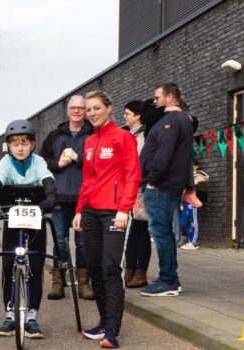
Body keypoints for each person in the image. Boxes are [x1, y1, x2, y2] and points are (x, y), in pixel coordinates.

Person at [74, 91, 140, 348]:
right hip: (90, 212)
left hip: (115, 212)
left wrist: (124, 209)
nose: (91, 113)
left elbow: (133, 175)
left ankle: (113, 329)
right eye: (88, 109)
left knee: (111, 268)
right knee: (95, 268)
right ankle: (103, 322)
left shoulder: (123, 138)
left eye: (96, 108)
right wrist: (79, 210)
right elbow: (87, 180)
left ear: (109, 108)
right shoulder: (89, 142)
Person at [0, 119, 57, 339]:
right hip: (12, 218)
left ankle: (32, 316)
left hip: (36, 217)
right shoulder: (5, 163)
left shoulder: (39, 161)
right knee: (7, 266)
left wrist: (51, 197)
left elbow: (47, 179)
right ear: (9, 146)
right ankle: (10, 315)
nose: (20, 147)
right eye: (15, 143)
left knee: (35, 264)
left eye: (25, 142)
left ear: (32, 144)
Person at [138, 82, 193, 297]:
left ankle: (168, 280)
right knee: (164, 232)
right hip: (165, 185)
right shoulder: (181, 119)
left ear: (170, 98)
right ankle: (170, 278)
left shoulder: (172, 120)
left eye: (157, 97)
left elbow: (164, 152)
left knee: (160, 232)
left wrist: (152, 181)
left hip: (160, 186)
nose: (154, 101)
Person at [38, 95, 95, 300]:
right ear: (68, 110)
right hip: (60, 199)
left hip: (83, 199)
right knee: (59, 242)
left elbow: (97, 162)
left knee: (82, 243)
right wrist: (58, 164)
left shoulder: (92, 135)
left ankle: (83, 284)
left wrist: (77, 159)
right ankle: (58, 283)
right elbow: (42, 160)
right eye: (74, 108)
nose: (78, 111)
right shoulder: (55, 135)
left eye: (82, 108)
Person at [122, 100, 151, 288]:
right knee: (132, 232)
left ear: (138, 115)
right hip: (125, 187)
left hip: (141, 187)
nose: (124, 117)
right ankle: (130, 269)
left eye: (127, 114)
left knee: (141, 229)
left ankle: (141, 272)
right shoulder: (123, 134)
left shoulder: (147, 135)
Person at [180, 161, 209, 250]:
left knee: (193, 223)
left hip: (193, 203)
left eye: (192, 165)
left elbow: (202, 192)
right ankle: (193, 240)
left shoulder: (200, 177)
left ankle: (193, 242)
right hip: (185, 203)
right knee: (183, 224)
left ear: (196, 167)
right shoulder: (185, 176)